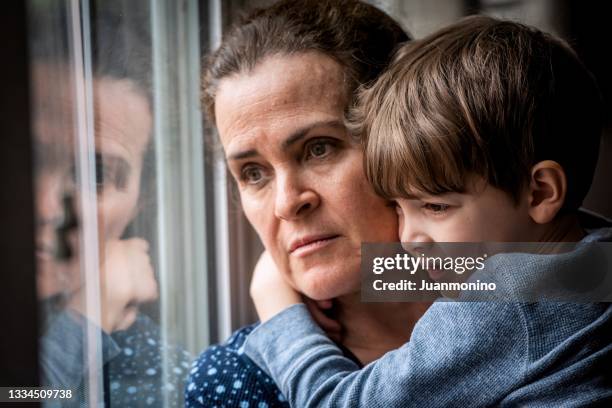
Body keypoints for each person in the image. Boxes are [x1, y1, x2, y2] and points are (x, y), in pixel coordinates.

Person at [243, 16, 612, 406]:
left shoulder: (503, 305)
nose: (409, 240)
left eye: (435, 206)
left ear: (539, 193)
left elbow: (336, 402)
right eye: (397, 208)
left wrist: (279, 307)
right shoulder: (593, 259)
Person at [185, 1, 431, 406]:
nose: (286, 204)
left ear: (409, 140)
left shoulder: (528, 306)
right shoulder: (236, 380)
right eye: (253, 173)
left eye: (319, 149)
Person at [32, 8, 191, 407]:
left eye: (97, 174)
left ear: (143, 197)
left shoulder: (164, 379)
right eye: (29, 157)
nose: (45, 205)